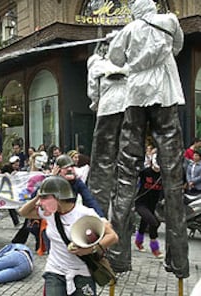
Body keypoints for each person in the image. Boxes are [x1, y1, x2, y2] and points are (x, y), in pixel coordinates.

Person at [107, 0, 189, 276]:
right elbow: (176, 48)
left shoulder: (128, 30)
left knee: (126, 172)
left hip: (137, 97)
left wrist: (125, 46)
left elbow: (116, 60)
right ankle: (178, 260)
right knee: (174, 178)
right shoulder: (170, 22)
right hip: (166, 94)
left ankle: (118, 256)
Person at [19, 176, 118, 295]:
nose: (41, 203)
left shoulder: (85, 213)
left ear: (58, 198)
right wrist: (38, 196)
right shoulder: (49, 213)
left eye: (45, 198)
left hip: (82, 271)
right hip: (55, 270)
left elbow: (112, 236)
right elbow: (23, 212)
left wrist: (91, 249)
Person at [86, 41, 128, 216]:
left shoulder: (96, 62)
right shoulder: (129, 62)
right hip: (128, 109)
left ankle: (98, 217)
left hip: (107, 109)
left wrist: (96, 103)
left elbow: (93, 89)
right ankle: (125, 220)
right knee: (126, 165)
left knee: (102, 163)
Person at [134, 154, 164, 258]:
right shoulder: (145, 172)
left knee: (144, 222)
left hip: (153, 204)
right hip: (141, 203)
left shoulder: (162, 175)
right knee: (154, 223)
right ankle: (155, 248)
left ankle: (138, 241)